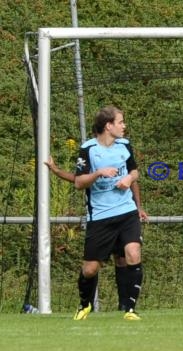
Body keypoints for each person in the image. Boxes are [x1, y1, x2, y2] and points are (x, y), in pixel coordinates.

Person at [44, 156, 148, 311]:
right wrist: (56, 170)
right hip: (101, 219)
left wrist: (138, 207)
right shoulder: (91, 158)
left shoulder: (120, 156)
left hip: (125, 216)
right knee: (91, 267)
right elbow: (77, 179)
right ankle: (87, 305)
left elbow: (133, 181)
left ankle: (126, 306)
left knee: (124, 258)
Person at [72, 105, 144, 320]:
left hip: (127, 212)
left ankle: (130, 310)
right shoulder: (88, 149)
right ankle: (84, 305)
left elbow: (134, 171)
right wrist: (98, 173)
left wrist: (129, 179)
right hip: (101, 217)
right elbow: (78, 182)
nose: (124, 126)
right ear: (108, 126)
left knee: (133, 252)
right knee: (90, 270)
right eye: (120, 122)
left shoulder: (124, 145)